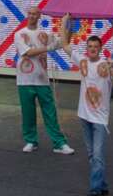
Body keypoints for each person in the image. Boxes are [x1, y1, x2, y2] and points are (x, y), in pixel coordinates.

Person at [72, 31, 113, 196]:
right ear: (86, 49)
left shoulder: (105, 65)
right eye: (90, 46)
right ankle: (102, 185)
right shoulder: (83, 61)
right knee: (92, 155)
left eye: (96, 47)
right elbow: (64, 44)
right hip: (84, 116)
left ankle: (94, 190)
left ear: (100, 49)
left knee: (98, 155)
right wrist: (66, 21)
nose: (93, 49)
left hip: (100, 120)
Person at [12, 9, 74, 155]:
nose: (32, 16)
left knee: (50, 112)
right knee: (28, 113)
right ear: (27, 15)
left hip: (42, 79)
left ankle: (59, 143)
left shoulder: (45, 34)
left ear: (40, 16)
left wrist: (69, 25)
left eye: (35, 14)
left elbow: (65, 41)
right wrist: (48, 47)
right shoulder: (19, 34)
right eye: (30, 13)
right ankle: (31, 141)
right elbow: (27, 52)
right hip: (25, 80)